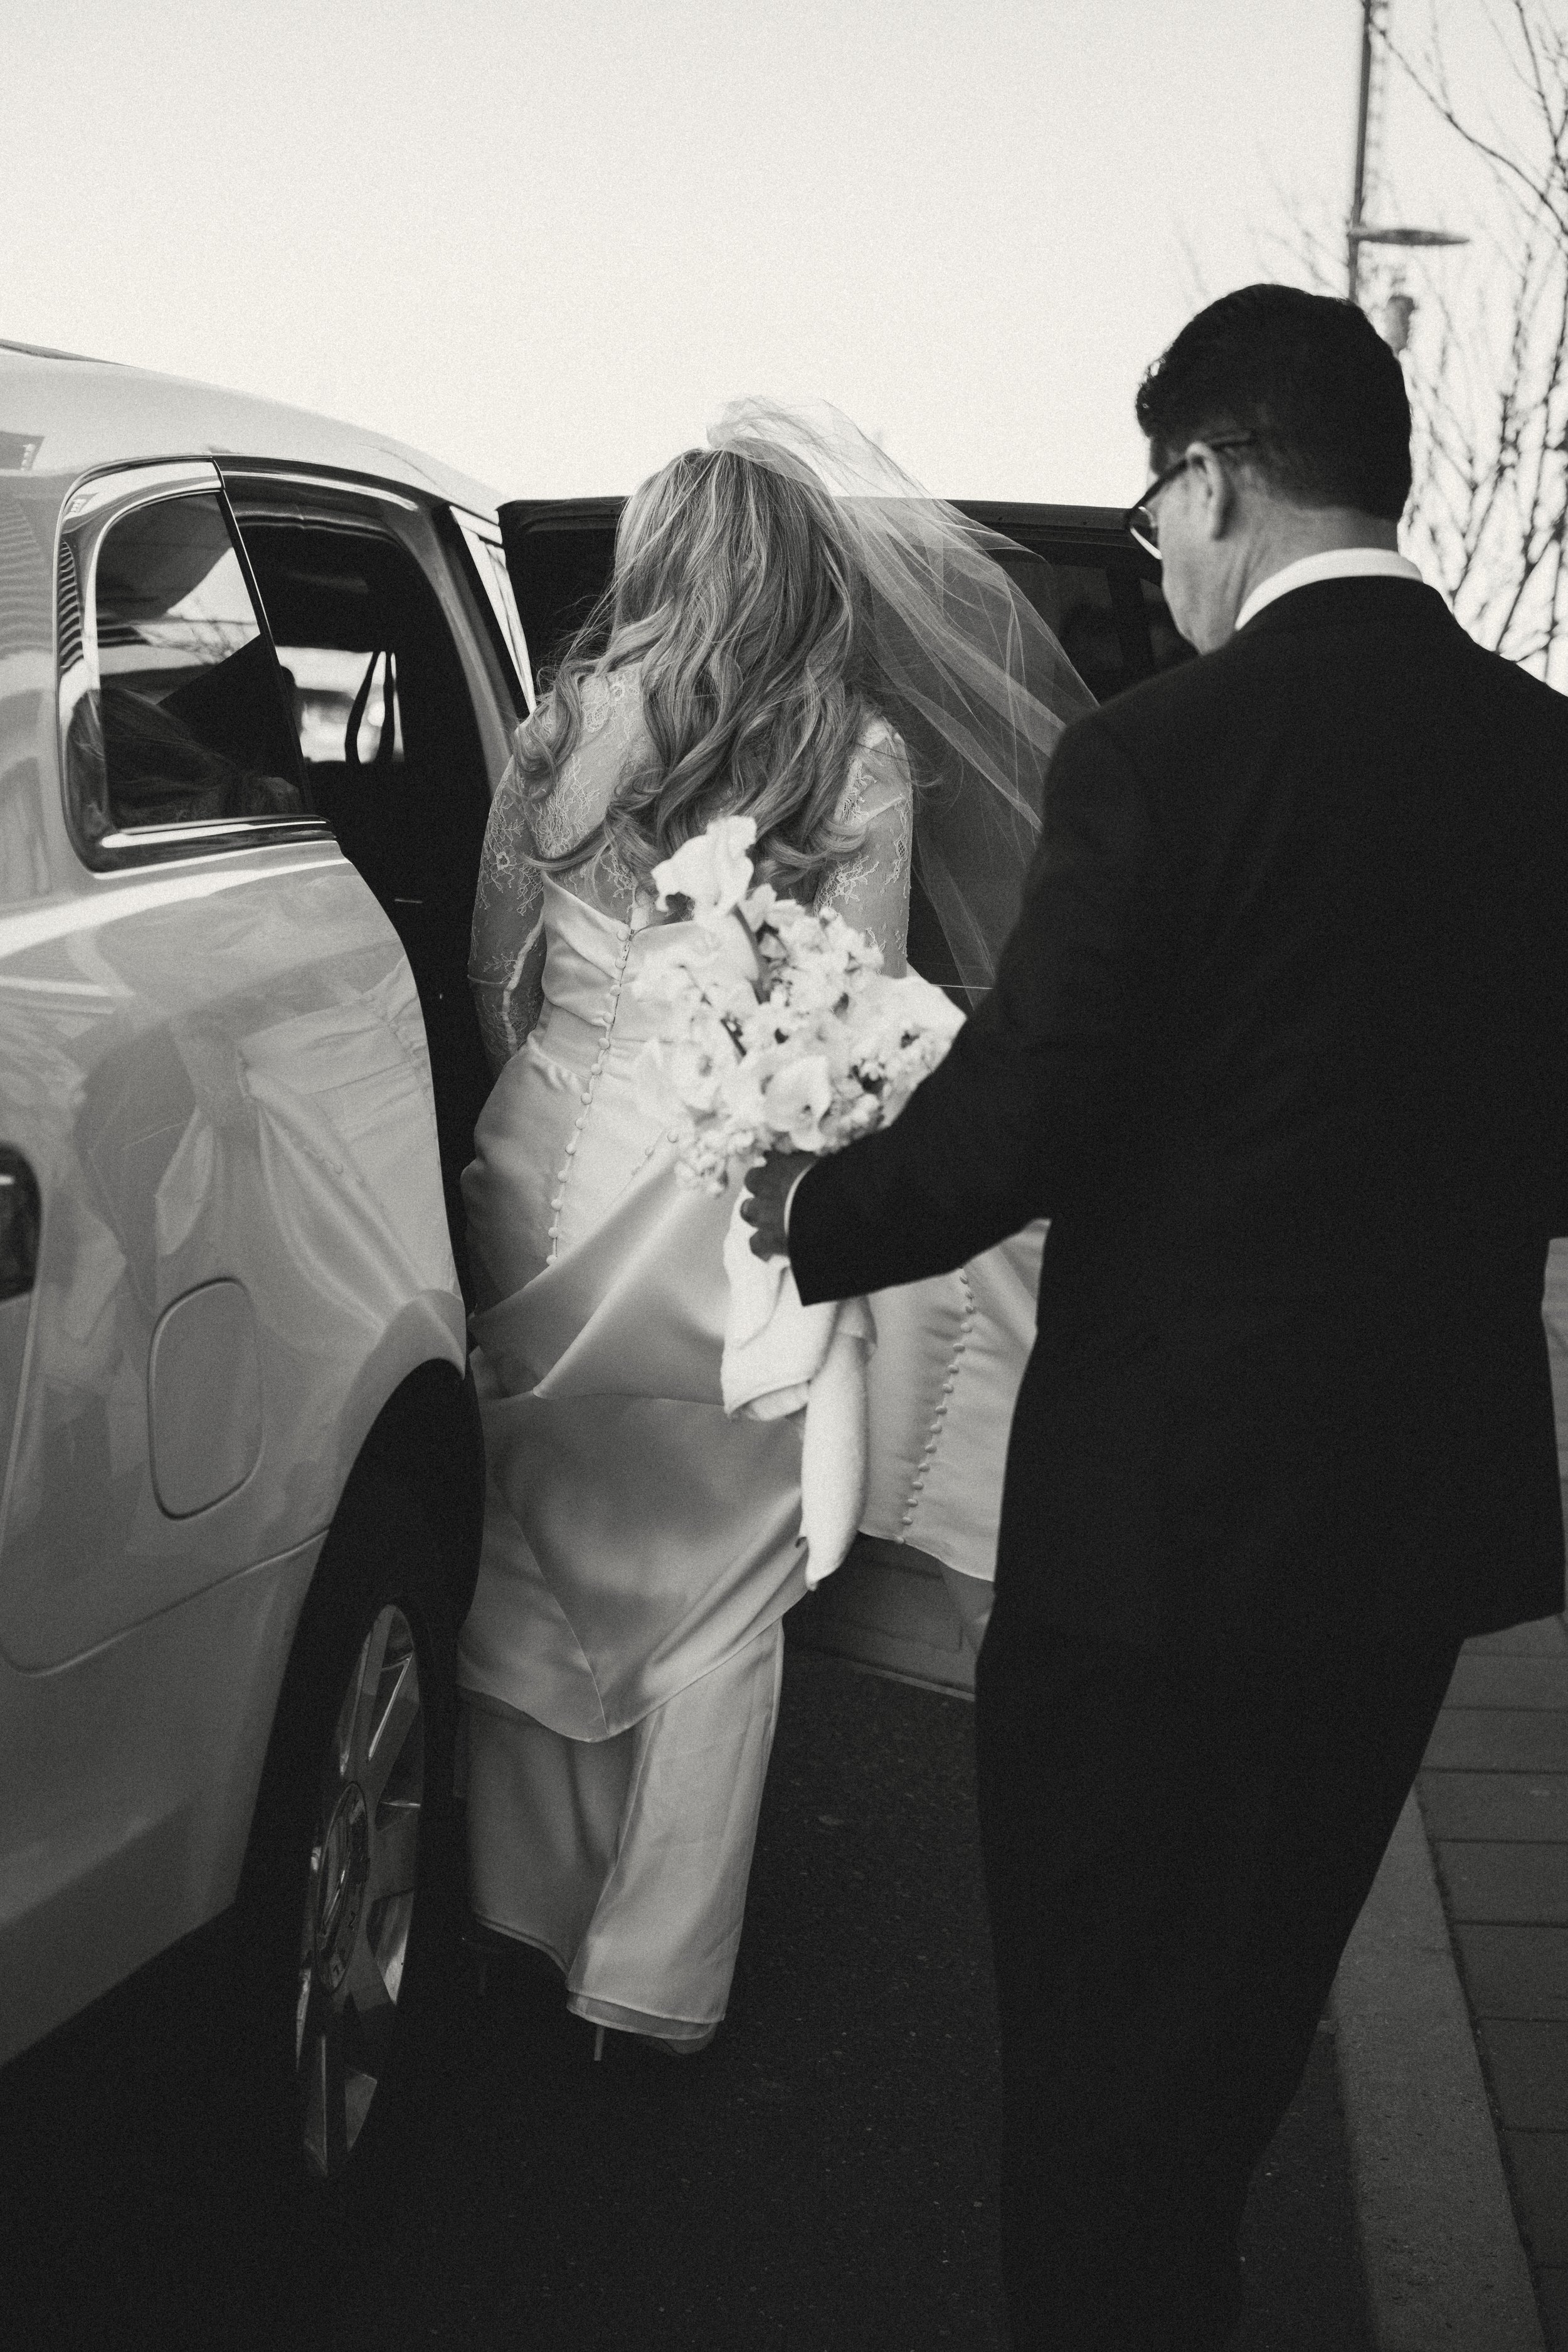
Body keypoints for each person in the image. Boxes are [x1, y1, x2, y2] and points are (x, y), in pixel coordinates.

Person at [744, 285, 1568, 2348]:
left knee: (1092, 2065)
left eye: (1153, 511)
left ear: (1210, 478)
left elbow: (1024, 1114)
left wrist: (806, 1211)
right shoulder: (1543, 760)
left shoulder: (1157, 757)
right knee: (1232, 2049)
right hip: (1409, 1537)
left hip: (1159, 1544)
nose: (1160, 559)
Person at [455, 411, 1090, 2055]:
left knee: (540, 1526)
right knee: (725, 1587)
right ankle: (647, 1978)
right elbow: (852, 1015)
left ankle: (514, 1905)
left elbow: (494, 969)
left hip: (547, 1156)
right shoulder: (854, 755)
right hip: (730, 1195)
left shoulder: (562, 726)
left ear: (662, 561)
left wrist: (554, 1067)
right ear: (802, 573)